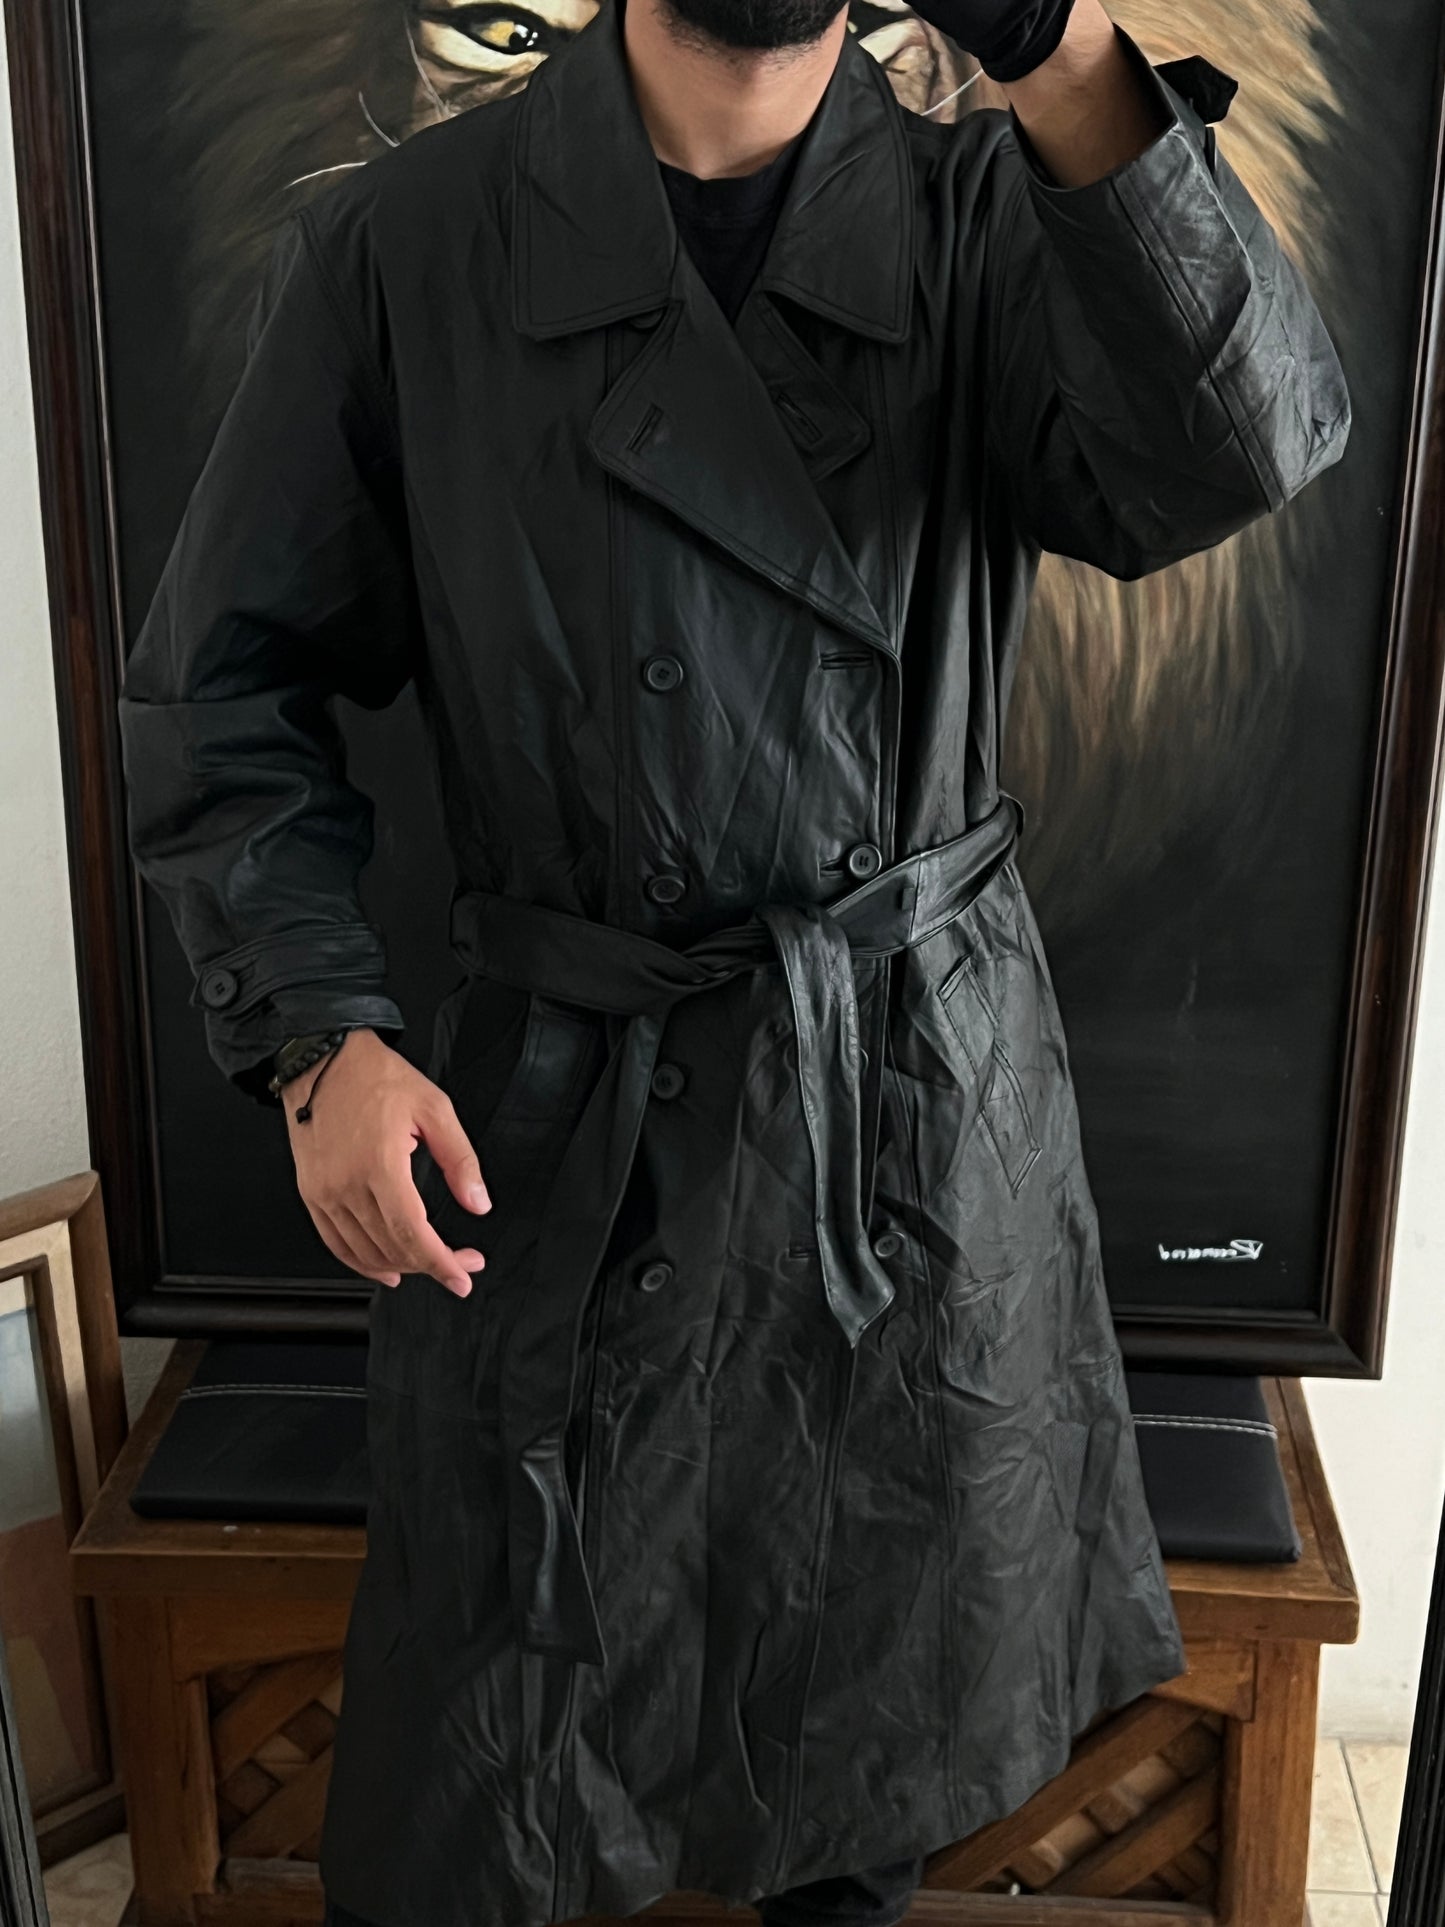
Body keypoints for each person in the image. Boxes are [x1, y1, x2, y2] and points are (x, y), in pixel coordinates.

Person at [117, 0, 1350, 1923]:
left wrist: (1061, 53)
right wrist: (315, 1037)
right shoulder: (407, 242)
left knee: (855, 1783)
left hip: (904, 1123)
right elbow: (221, 690)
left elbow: (1247, 442)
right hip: (554, 1129)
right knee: (496, 1794)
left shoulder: (990, 220)